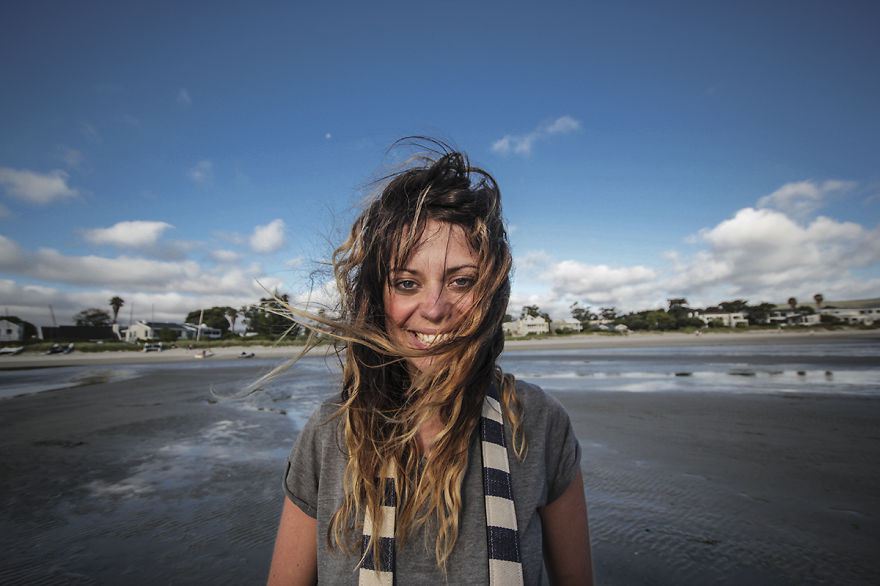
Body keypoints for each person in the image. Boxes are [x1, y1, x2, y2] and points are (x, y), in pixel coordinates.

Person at [268, 140, 593, 585]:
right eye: (407, 282)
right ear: (377, 299)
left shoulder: (538, 423)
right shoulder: (330, 434)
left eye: (461, 281)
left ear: (492, 294)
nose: (435, 309)